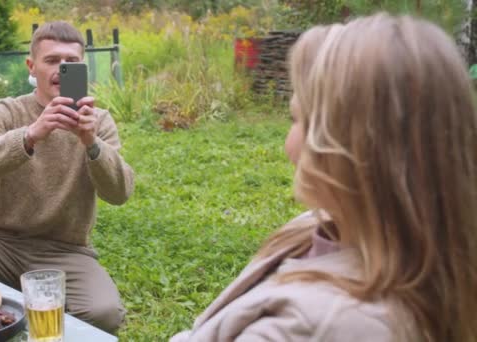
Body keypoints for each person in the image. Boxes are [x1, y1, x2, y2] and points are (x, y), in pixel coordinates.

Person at [171, 13, 477, 341]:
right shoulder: (340, 229)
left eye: (296, 118)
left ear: (346, 146)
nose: (288, 144)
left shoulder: (319, 327)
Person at [0, 21, 134, 334]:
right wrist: (31, 134)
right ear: (32, 67)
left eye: (71, 62)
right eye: (52, 61)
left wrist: (91, 143)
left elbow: (120, 193)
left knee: (104, 313)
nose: (62, 69)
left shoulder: (98, 121)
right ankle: (22, 299)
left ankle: (8, 302)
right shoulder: (8, 111)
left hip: (64, 252)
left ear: (82, 68)